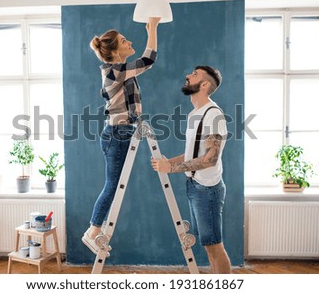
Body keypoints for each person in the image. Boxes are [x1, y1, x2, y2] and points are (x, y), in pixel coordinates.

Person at [82, 17, 160, 255]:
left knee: (115, 185)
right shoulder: (113, 72)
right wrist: (153, 28)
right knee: (112, 185)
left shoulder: (122, 72)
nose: (129, 42)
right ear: (115, 51)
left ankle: (96, 230)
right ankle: (93, 232)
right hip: (117, 134)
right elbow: (148, 60)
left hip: (123, 133)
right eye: (124, 41)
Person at [151, 66, 231, 274]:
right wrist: (170, 162)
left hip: (208, 190)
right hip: (195, 186)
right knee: (208, 246)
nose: (187, 75)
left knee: (215, 246)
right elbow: (193, 154)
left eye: (194, 75)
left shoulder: (213, 115)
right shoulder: (195, 113)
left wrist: (172, 167)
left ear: (204, 85)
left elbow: (210, 159)